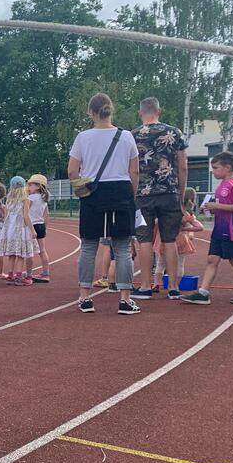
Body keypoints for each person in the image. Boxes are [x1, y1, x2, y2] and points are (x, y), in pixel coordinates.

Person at [68, 93, 140, 315]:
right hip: (121, 191)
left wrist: (81, 188)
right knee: (122, 246)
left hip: (93, 192)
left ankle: (85, 298)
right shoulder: (126, 136)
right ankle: (125, 299)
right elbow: (134, 170)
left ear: (91, 112)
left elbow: (72, 170)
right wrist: (132, 195)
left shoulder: (83, 137)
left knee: (89, 245)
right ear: (111, 110)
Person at [131, 97, 188, 300]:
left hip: (142, 195)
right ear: (159, 111)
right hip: (169, 193)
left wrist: (133, 194)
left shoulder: (132, 135)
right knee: (169, 240)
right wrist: (180, 195)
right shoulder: (174, 132)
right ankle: (173, 287)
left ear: (141, 113)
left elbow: (132, 170)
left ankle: (146, 286)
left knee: (144, 240)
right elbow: (182, 166)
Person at [182, 151, 233, 305]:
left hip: (231, 230)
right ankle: (203, 292)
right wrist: (211, 209)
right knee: (212, 259)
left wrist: (216, 205)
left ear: (227, 167)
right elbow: (223, 207)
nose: (213, 171)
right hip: (219, 229)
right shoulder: (221, 186)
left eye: (216, 168)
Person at [154, 188, 202, 287]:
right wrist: (184, 230)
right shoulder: (187, 214)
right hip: (180, 239)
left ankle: (156, 284)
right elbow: (200, 227)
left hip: (165, 238)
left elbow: (157, 223)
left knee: (160, 263)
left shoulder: (168, 211)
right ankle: (175, 286)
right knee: (179, 264)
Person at [0, 176, 38, 285]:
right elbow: (26, 216)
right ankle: (19, 277)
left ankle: (10, 275)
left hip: (10, 229)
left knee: (12, 254)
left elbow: (7, 216)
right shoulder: (25, 200)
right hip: (20, 229)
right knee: (20, 254)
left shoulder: (9, 200)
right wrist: (32, 230)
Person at [27, 174, 51, 282]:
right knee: (42, 250)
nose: (28, 187)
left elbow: (25, 212)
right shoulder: (43, 199)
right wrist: (45, 227)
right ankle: (46, 273)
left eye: (30, 185)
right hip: (40, 225)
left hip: (31, 226)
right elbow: (46, 215)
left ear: (38, 186)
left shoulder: (30, 198)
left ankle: (28, 274)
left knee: (29, 251)